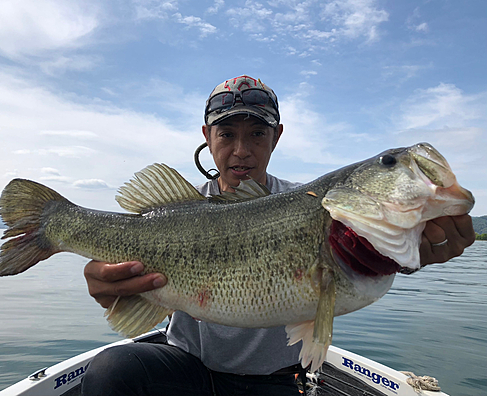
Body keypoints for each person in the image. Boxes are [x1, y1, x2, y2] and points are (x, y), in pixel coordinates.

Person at [81, 75, 475, 396]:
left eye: (256, 134)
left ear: (277, 137)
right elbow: (120, 287)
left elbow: (360, 256)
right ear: (207, 134)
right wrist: (109, 286)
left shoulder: (310, 203)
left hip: (274, 380)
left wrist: (409, 255)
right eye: (226, 134)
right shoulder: (180, 208)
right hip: (187, 369)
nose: (241, 150)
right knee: (111, 370)